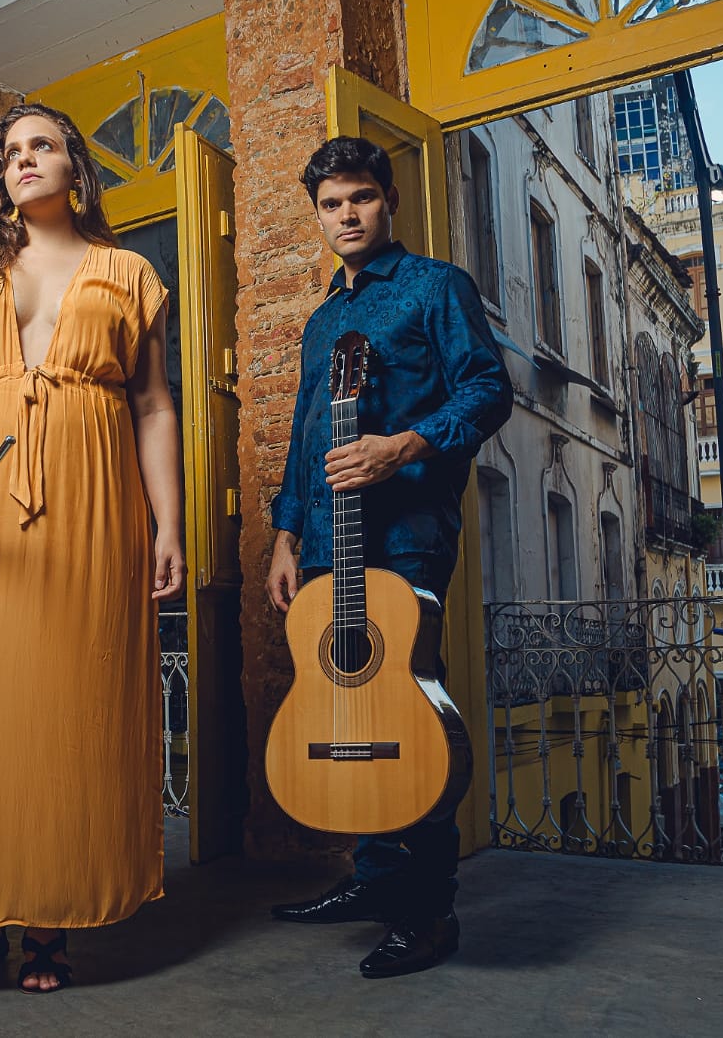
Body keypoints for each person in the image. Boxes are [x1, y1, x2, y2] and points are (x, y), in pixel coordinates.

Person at [0, 103, 184, 994]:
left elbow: (153, 406)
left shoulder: (129, 271)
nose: (26, 160)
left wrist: (168, 522)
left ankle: (54, 919)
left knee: (74, 707)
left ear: (75, 166)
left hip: (93, 513)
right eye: (12, 151)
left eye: (44, 146)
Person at [265, 136, 513, 979]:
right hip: (327, 541)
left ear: (388, 199)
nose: (347, 216)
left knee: (408, 717)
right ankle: (373, 882)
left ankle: (427, 912)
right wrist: (285, 535)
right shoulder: (325, 320)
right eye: (331, 204)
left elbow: (488, 390)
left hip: (407, 534)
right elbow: (307, 439)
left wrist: (405, 445)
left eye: (361, 198)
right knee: (348, 705)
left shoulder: (437, 287)